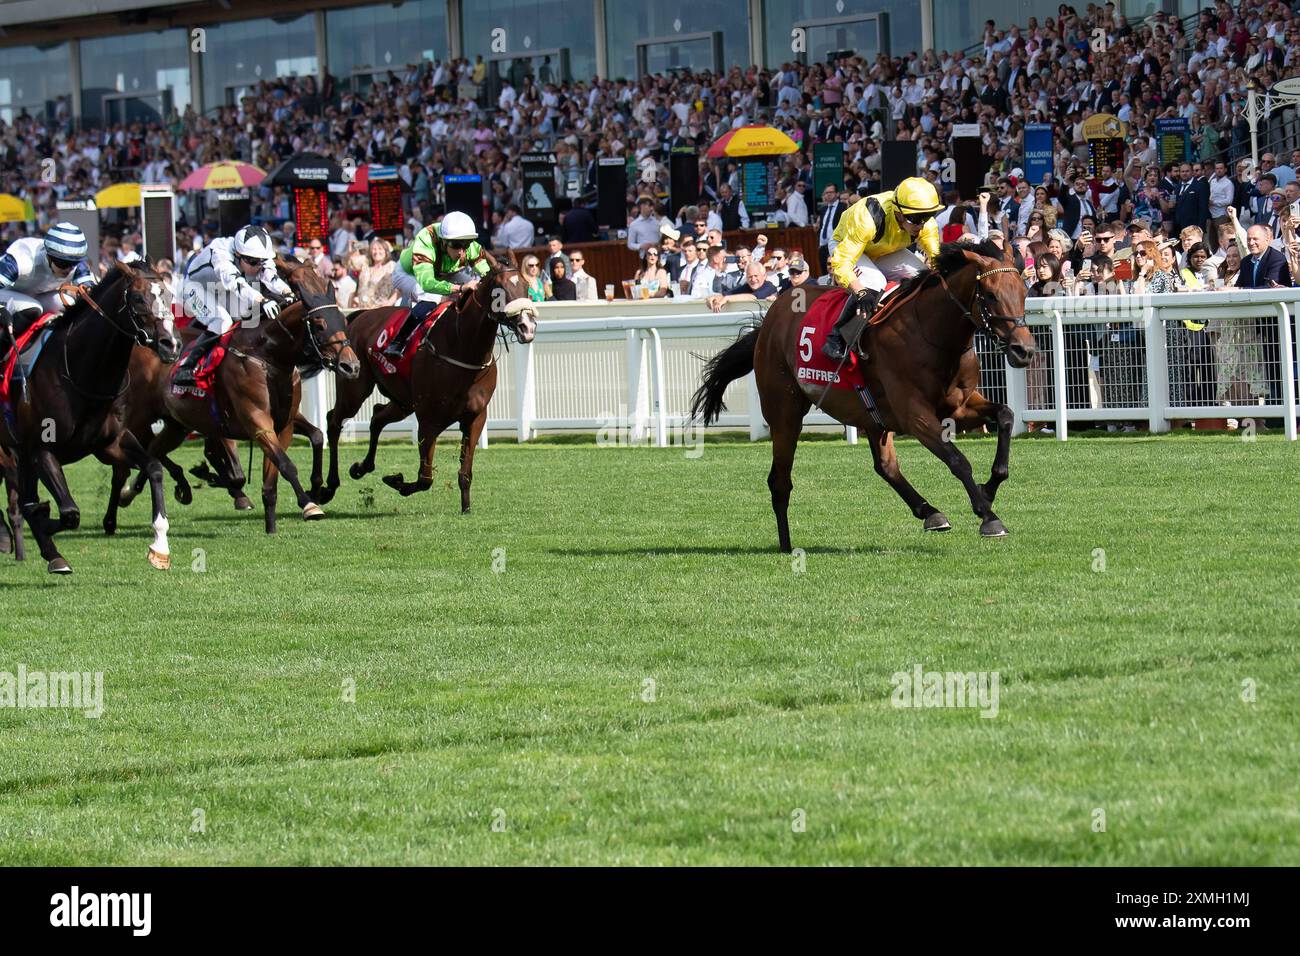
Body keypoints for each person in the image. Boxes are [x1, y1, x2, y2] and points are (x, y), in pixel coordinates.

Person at [822, 176, 943, 361]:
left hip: (885, 249)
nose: (922, 225)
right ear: (899, 213)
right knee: (874, 282)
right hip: (847, 247)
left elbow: (938, 260)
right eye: (916, 219)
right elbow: (842, 261)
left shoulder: (924, 223)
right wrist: (860, 291)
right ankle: (837, 339)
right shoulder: (868, 217)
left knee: (924, 276)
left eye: (928, 217)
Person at [173, 224, 292, 387]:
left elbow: (270, 276)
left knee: (246, 313)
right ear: (237, 254)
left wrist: (288, 293)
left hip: (220, 288)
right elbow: (234, 283)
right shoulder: (220, 252)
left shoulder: (257, 255)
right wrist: (262, 300)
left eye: (262, 261)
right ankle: (185, 368)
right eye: (253, 262)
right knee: (221, 321)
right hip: (195, 287)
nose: (259, 266)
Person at [385, 211, 489, 360]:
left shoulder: (467, 244)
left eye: (466, 244)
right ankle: (398, 342)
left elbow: (487, 272)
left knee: (477, 287)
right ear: (444, 241)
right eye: (456, 245)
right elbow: (427, 283)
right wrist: (459, 288)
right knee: (430, 296)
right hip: (410, 274)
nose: (462, 251)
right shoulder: (426, 240)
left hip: (444, 272)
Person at [0, 222, 96, 354]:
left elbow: (93, 294)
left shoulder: (78, 265)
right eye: (64, 263)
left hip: (37, 293)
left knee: (70, 304)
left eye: (74, 263)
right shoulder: (22, 260)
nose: (70, 268)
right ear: (49, 256)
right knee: (33, 309)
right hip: (5, 292)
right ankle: (3, 354)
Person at [354, 238, 399, 309]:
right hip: (362, 308)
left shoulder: (391, 266)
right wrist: (355, 246)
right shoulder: (366, 266)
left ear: (386, 251)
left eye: (380, 248)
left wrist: (389, 303)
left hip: (380, 310)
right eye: (374, 249)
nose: (377, 251)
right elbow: (351, 262)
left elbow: (399, 289)